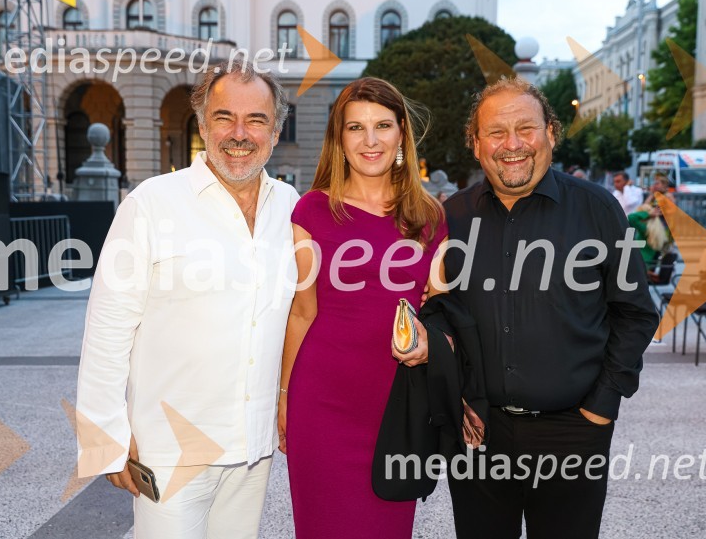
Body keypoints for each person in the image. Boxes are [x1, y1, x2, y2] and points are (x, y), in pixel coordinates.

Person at [76, 60, 298, 539]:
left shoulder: (291, 208)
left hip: (253, 448)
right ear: (202, 125)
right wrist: (105, 438)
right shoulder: (150, 203)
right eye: (224, 117)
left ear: (276, 132)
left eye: (256, 120)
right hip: (171, 448)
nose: (239, 134)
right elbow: (108, 326)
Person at [441, 76, 658, 538]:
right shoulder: (450, 218)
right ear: (475, 144)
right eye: (496, 132)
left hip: (574, 431)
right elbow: (437, 312)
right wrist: (451, 395)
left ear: (551, 134)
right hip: (477, 434)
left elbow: (636, 312)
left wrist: (602, 405)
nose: (512, 144)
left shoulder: (598, 209)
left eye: (526, 128)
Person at [278, 77, 448, 538]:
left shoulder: (429, 217)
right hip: (322, 403)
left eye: (382, 126)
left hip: (400, 404)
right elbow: (302, 312)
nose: (370, 140)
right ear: (339, 138)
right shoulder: (312, 211)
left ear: (401, 134)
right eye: (356, 127)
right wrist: (285, 395)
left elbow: (441, 313)